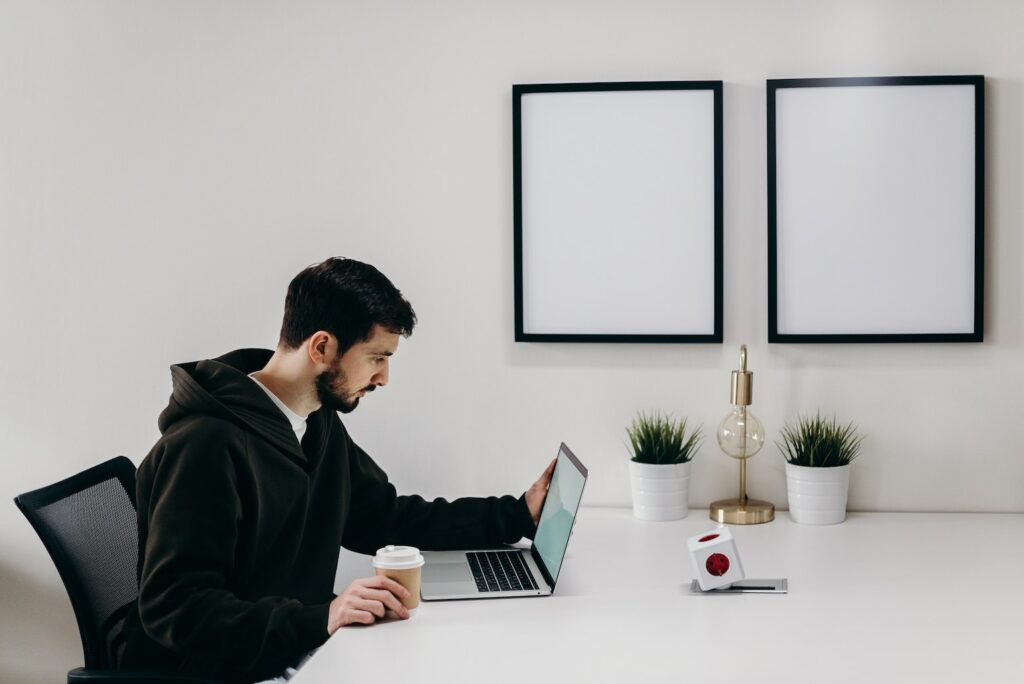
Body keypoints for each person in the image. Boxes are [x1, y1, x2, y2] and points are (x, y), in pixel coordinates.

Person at [121, 257, 555, 683]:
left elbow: (383, 516)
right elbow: (176, 607)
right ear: (322, 347)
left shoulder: (315, 422)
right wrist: (321, 618)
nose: (384, 377)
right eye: (376, 358)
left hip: (292, 649)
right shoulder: (205, 445)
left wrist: (517, 514)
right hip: (228, 670)